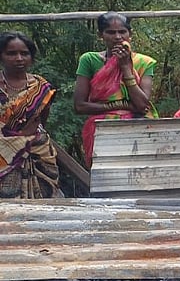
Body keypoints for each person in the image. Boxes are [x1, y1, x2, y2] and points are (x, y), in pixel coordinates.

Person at [73, 12, 156, 166]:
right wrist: (121, 105)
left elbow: (142, 105)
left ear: (130, 34)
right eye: (111, 32)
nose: (118, 37)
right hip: (101, 131)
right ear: (101, 35)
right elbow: (80, 106)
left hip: (137, 129)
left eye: (122, 32)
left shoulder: (144, 62)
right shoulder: (89, 60)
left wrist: (125, 67)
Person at [0, 31, 58, 198]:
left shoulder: (41, 87)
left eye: (24, 53)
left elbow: (42, 121)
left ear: (31, 57)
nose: (19, 58)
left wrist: (26, 140)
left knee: (42, 203)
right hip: (2, 154)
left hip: (37, 152)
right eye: (11, 53)